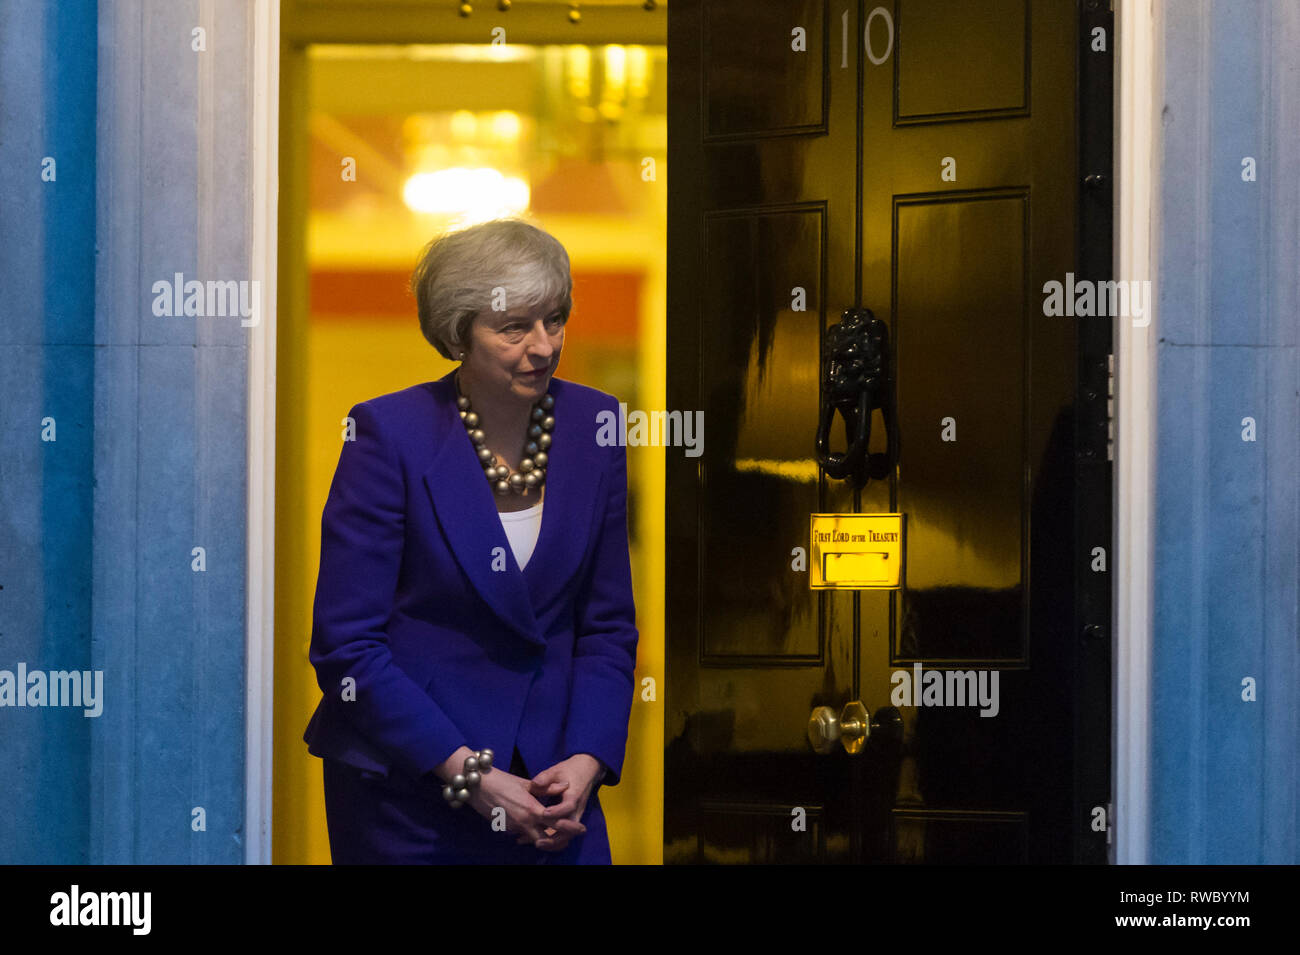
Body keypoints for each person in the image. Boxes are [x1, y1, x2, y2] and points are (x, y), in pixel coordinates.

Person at [302, 218, 639, 864]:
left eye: (556, 319)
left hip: (552, 796)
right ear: (460, 332)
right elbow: (347, 647)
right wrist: (470, 777)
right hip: (410, 794)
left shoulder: (596, 425)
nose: (543, 346)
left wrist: (588, 760)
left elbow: (607, 627)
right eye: (515, 327)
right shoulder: (387, 434)